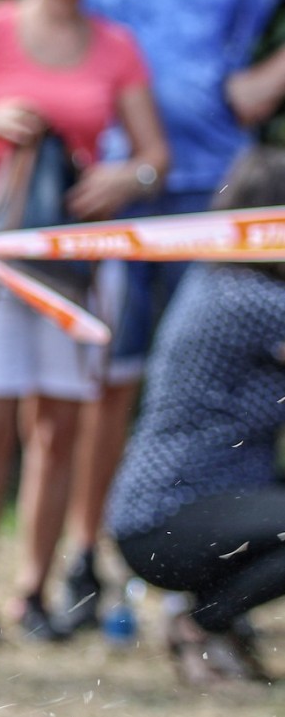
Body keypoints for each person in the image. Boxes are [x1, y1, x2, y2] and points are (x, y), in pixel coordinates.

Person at [0, 0, 285, 631]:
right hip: (99, 194)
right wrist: (0, 95)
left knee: (220, 392)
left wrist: (262, 85)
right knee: (100, 388)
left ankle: (193, 579)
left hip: (219, 191)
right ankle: (87, 562)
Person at [0, 0, 168, 647]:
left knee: (58, 425)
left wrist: (124, 177)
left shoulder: (115, 46)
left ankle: (33, 589)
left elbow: (152, 156)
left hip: (72, 251)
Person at [106, 146, 285, 686]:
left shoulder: (220, 282)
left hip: (177, 509)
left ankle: (221, 629)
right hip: (167, 517)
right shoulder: (246, 298)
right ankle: (203, 626)